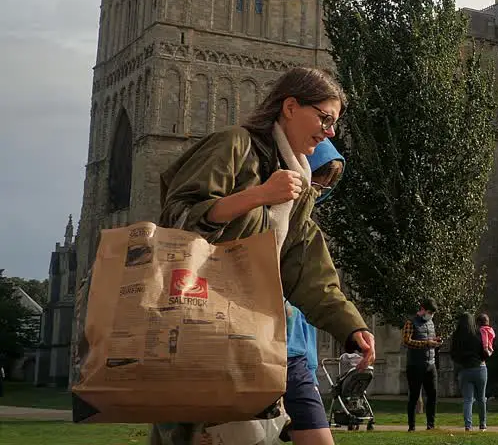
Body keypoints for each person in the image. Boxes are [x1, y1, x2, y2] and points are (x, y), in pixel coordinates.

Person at [152, 67, 374, 445]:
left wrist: (351, 327)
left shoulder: (300, 185)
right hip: (211, 333)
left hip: (272, 339)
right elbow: (176, 220)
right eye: (325, 118)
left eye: (334, 124)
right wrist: (257, 195)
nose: (330, 133)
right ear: (290, 107)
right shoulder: (233, 145)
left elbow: (308, 272)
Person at [278, 139, 346, 444]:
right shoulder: (272, 217)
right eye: (319, 182)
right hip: (262, 348)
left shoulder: (305, 224)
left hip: (297, 356)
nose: (322, 191)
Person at [403, 298, 442, 431]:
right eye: (429, 312)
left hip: (430, 363)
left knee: (432, 395)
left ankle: (430, 425)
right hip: (415, 364)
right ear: (422, 309)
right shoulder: (411, 322)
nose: (431, 315)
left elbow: (430, 338)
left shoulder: (430, 323)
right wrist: (426, 343)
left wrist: (435, 341)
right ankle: (412, 426)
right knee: (414, 396)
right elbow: (407, 341)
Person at [451, 313, 489, 432]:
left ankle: (468, 425)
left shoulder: (456, 336)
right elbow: (484, 352)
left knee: (468, 399)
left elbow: (453, 355)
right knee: (481, 398)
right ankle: (482, 424)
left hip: (464, 370)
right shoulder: (477, 334)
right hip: (479, 368)